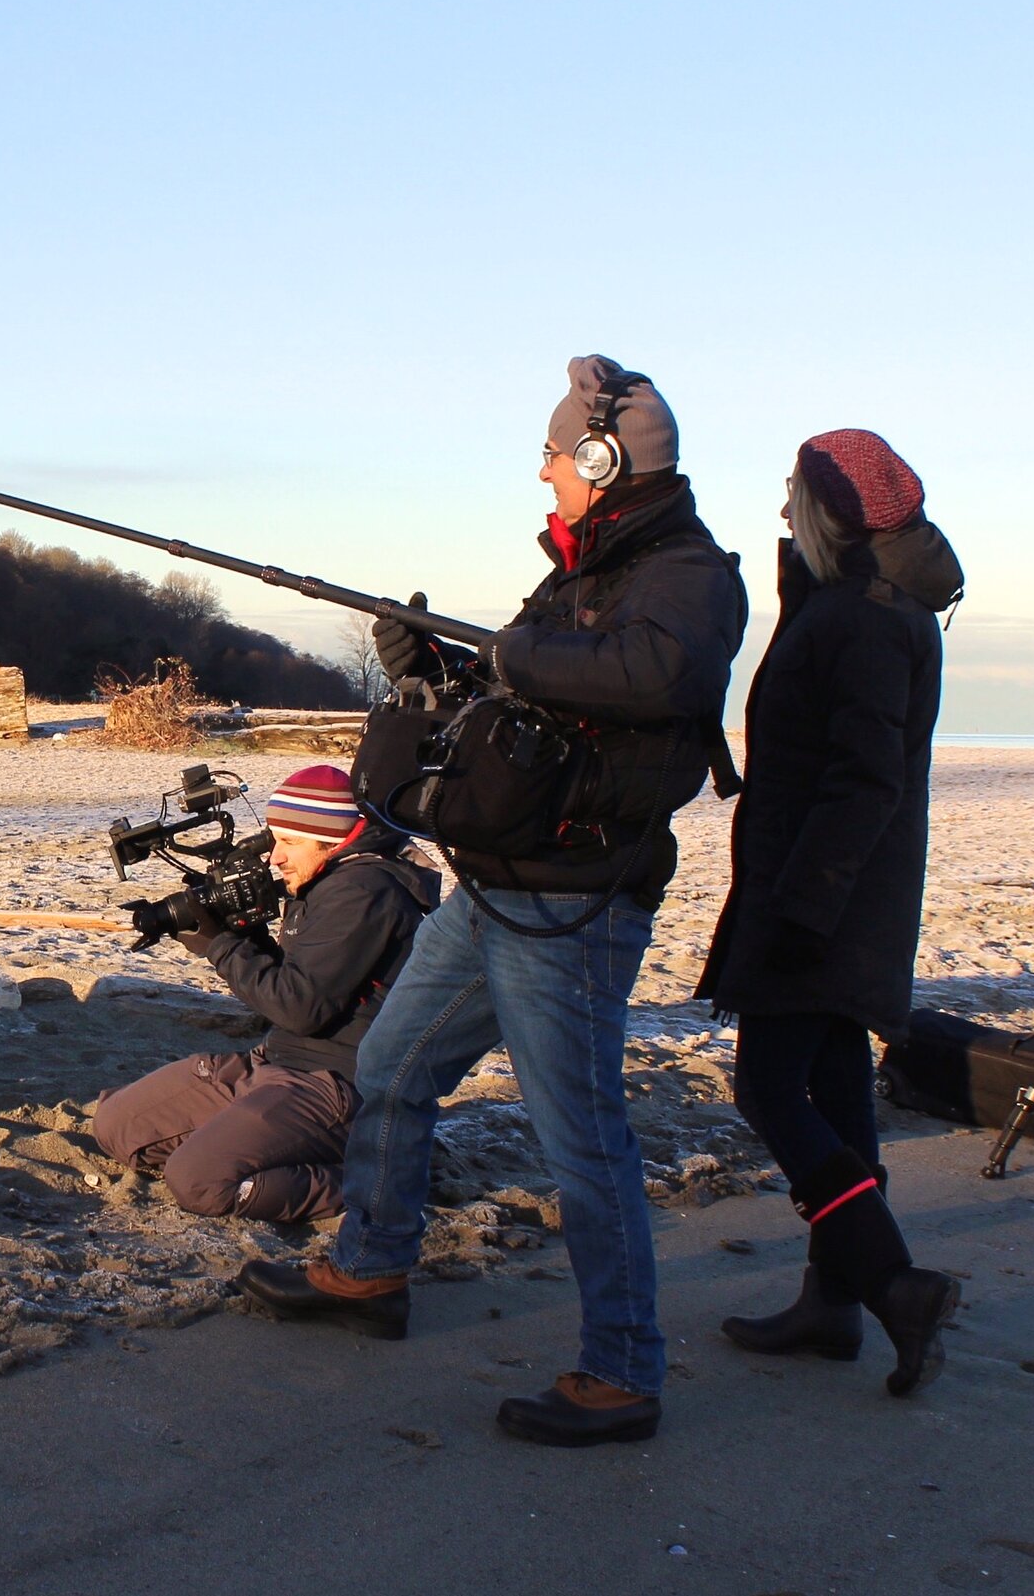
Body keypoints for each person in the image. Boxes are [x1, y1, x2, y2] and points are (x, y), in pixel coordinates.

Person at [237, 356, 746, 1450]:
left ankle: (621, 1371)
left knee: (583, 1140)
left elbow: (657, 677)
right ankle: (370, 1270)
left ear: (604, 462)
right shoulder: (581, 572)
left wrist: (513, 650)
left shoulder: (688, 577)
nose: (543, 472)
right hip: (495, 889)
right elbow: (527, 702)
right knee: (392, 1066)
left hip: (573, 912)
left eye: (557, 455)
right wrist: (437, 665)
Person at [698, 430, 965, 1397]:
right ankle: (834, 1304)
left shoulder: (866, 618)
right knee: (841, 1090)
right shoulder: (853, 607)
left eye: (792, 494)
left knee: (770, 1088)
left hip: (822, 901)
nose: (780, 510)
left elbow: (864, 781)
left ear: (831, 511)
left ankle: (891, 1283)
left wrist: (802, 911)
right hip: (840, 894)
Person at [90, 764, 439, 1221]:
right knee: (117, 1124)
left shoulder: (364, 891)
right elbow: (296, 978)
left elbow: (299, 1006)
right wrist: (240, 931)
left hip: (336, 1085)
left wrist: (220, 945)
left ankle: (382, 1176)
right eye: (277, 839)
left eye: (291, 842)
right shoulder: (327, 880)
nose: (275, 857)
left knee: (198, 1181)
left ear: (335, 840)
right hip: (275, 1064)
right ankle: (246, 1145)